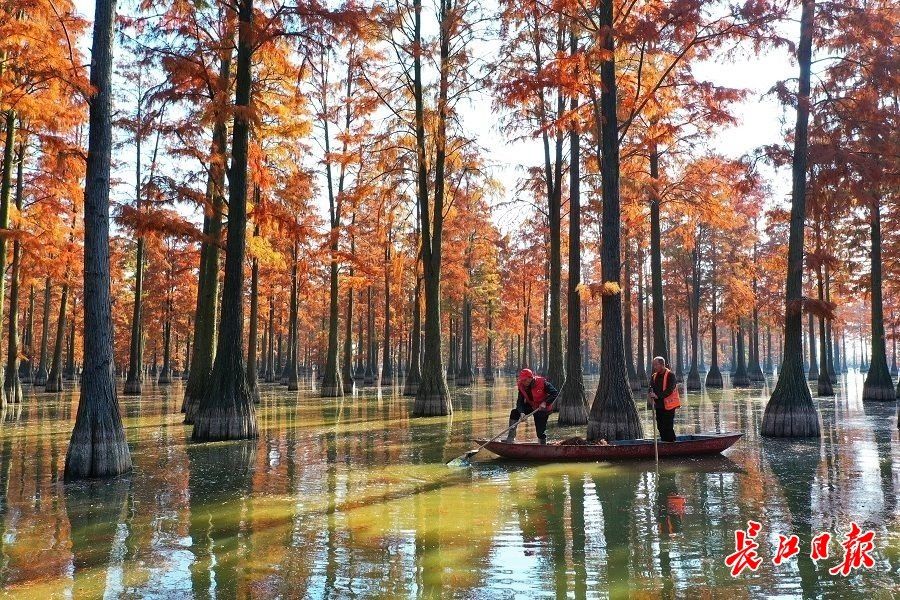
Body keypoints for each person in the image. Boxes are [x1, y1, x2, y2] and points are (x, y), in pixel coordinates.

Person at [506, 368, 559, 444]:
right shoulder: (521, 385)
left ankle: (542, 444)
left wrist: (545, 402)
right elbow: (520, 402)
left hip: (542, 409)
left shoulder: (542, 382)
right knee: (514, 412)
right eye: (522, 380)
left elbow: (554, 393)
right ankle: (510, 438)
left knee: (540, 433)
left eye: (525, 380)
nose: (523, 382)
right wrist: (521, 412)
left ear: (530, 378)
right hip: (531, 406)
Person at [649, 356, 680, 442]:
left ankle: (671, 444)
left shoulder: (670, 375)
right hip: (659, 406)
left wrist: (658, 396)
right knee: (660, 426)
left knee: (668, 427)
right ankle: (664, 443)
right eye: (654, 365)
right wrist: (651, 393)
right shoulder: (654, 376)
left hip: (669, 406)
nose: (654, 367)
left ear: (662, 364)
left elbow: (670, 390)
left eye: (656, 364)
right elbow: (651, 387)